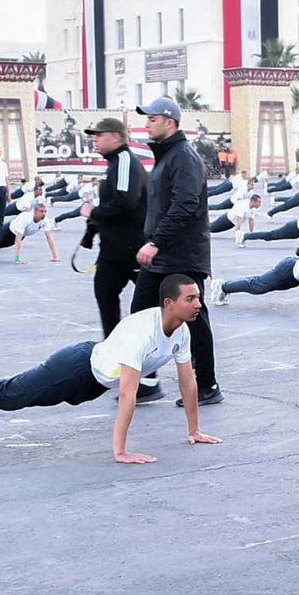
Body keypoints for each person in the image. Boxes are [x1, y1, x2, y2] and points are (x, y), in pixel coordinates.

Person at [0, 275, 222, 461]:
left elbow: (188, 383)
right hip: (75, 369)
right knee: (10, 395)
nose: (198, 304)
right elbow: (128, 394)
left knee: (14, 396)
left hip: (93, 381)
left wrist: (194, 431)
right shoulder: (142, 332)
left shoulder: (181, 331)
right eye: (190, 299)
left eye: (198, 298)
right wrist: (120, 452)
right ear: (169, 303)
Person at [129, 96, 220, 407]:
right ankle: (145, 380)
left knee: (193, 319)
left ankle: (207, 385)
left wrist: (155, 242)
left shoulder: (184, 158)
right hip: (163, 256)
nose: (147, 124)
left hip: (183, 255)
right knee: (142, 314)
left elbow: (185, 206)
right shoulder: (166, 157)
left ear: (170, 122)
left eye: (152, 119)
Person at [80, 118, 148, 340]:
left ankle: (151, 357)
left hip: (132, 249)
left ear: (116, 137)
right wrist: (91, 230)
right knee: (105, 294)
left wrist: (93, 213)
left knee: (147, 306)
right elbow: (113, 203)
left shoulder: (125, 161)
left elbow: (124, 202)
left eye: (100, 135)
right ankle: (113, 351)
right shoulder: (114, 164)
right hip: (113, 250)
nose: (95, 140)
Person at [209, 240, 299, 310]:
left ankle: (225, 286)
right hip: (289, 271)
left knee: (258, 283)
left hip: (295, 277)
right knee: (258, 286)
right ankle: (222, 286)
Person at [0, 199, 61, 263]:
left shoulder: (45, 221)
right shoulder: (26, 219)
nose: (44, 214)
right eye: (41, 211)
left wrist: (55, 256)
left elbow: (49, 238)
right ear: (35, 212)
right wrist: (17, 258)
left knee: (5, 245)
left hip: (22, 234)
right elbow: (18, 240)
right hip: (9, 230)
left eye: (45, 211)